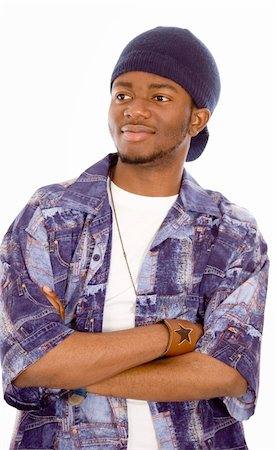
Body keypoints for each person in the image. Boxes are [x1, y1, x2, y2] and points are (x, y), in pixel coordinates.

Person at [0, 26, 269, 450]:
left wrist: (71, 367)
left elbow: (226, 373)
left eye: (159, 97)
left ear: (197, 118)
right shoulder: (51, 217)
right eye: (122, 94)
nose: (134, 110)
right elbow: (26, 363)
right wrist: (171, 336)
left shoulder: (230, 232)